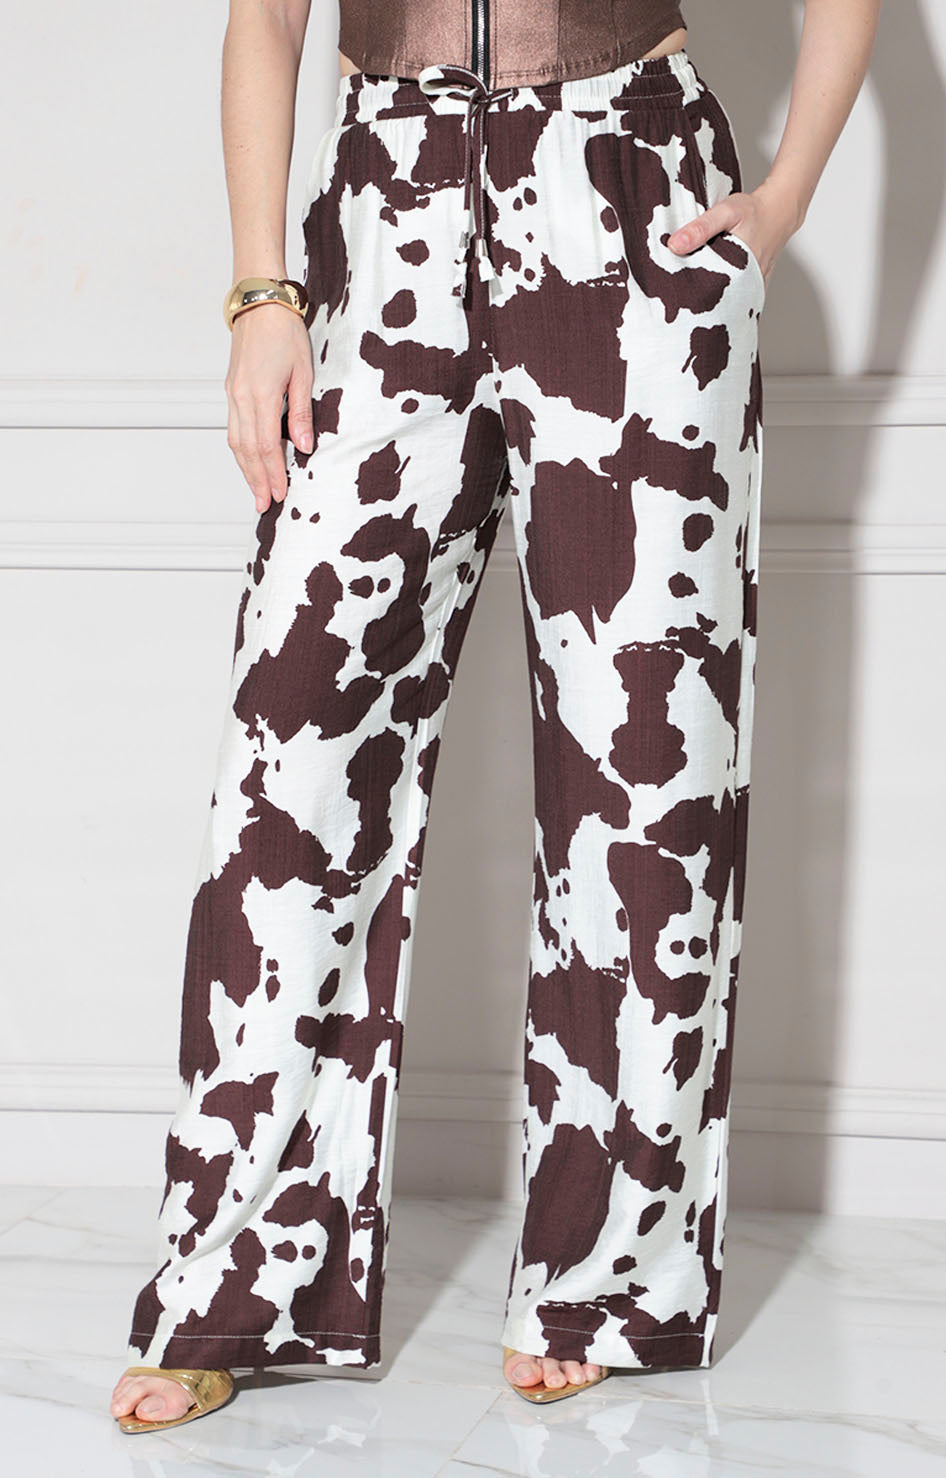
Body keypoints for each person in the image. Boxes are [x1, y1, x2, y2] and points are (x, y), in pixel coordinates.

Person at [110, 0, 881, 1433]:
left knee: (642, 771)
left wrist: (780, 198)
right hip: (382, 209)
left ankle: (608, 1277)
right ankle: (243, 1280)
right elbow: (267, 13)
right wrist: (262, 291)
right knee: (295, 757)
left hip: (632, 201)